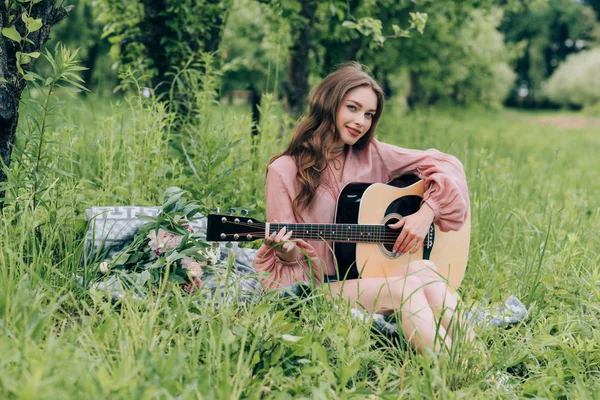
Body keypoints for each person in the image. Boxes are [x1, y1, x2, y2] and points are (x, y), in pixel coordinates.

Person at [253, 62, 472, 353]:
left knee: (427, 270)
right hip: (319, 287)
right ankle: (454, 374)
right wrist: (286, 251)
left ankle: (480, 365)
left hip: (365, 275)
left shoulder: (372, 154)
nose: (361, 121)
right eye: (353, 108)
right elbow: (287, 268)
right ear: (328, 104)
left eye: (369, 114)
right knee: (404, 289)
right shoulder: (284, 171)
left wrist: (425, 213)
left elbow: (448, 163)